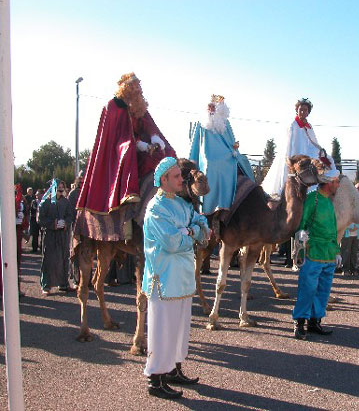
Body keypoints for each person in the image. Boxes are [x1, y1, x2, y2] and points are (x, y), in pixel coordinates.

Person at [76, 73, 176, 241]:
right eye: (133, 87)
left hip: (142, 151)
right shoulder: (113, 106)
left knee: (168, 153)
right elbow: (117, 136)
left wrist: (153, 140)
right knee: (128, 149)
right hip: (118, 152)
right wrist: (138, 144)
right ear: (126, 88)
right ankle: (127, 203)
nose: (137, 90)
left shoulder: (140, 107)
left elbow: (150, 126)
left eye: (138, 87)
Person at [142, 157, 209, 399]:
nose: (182, 179)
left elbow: (202, 224)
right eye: (177, 176)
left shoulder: (182, 206)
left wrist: (189, 230)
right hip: (164, 279)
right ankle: (155, 379)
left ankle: (173, 369)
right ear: (163, 180)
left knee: (180, 328)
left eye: (180, 176)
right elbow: (171, 242)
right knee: (163, 329)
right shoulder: (155, 208)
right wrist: (192, 232)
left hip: (182, 278)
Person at [188, 95, 255, 226]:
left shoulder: (225, 123)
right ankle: (209, 207)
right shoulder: (201, 123)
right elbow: (197, 146)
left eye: (214, 107)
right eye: (210, 107)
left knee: (240, 162)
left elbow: (231, 141)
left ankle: (229, 202)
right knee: (211, 165)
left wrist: (233, 149)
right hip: (208, 156)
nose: (212, 110)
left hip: (226, 154)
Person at [292, 168, 341, 340]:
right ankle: (300, 323)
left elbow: (333, 230)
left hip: (328, 254)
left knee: (323, 291)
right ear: (329, 183)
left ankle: (314, 321)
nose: (338, 185)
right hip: (313, 253)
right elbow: (302, 223)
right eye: (336, 182)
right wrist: (300, 242)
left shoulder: (327, 201)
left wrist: (336, 251)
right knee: (307, 289)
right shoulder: (313, 199)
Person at [262, 98, 334, 197]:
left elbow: (314, 142)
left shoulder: (309, 126)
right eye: (301, 109)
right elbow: (290, 143)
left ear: (308, 112)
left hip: (309, 151)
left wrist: (320, 152)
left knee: (328, 159)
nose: (303, 112)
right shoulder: (293, 125)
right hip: (297, 153)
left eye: (305, 110)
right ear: (297, 110)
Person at [38, 180, 73, 295]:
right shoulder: (46, 202)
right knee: (49, 259)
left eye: (62, 187)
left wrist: (66, 223)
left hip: (63, 235)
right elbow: (40, 219)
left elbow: (70, 215)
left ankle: (63, 283)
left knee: (63, 258)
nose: (61, 189)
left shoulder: (66, 202)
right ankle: (46, 286)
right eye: (59, 187)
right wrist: (53, 223)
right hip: (50, 235)